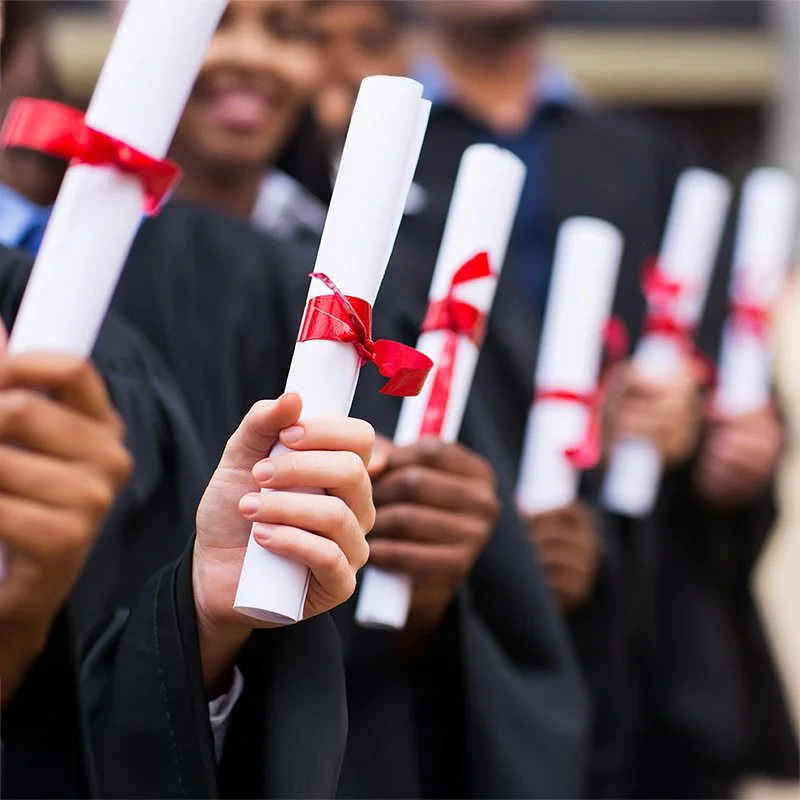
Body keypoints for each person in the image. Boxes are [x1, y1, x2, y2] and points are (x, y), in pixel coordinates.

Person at [373, 1, 794, 796]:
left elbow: (724, 373)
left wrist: (711, 431)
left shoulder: (649, 159)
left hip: (646, 635)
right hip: (444, 636)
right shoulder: (376, 155)